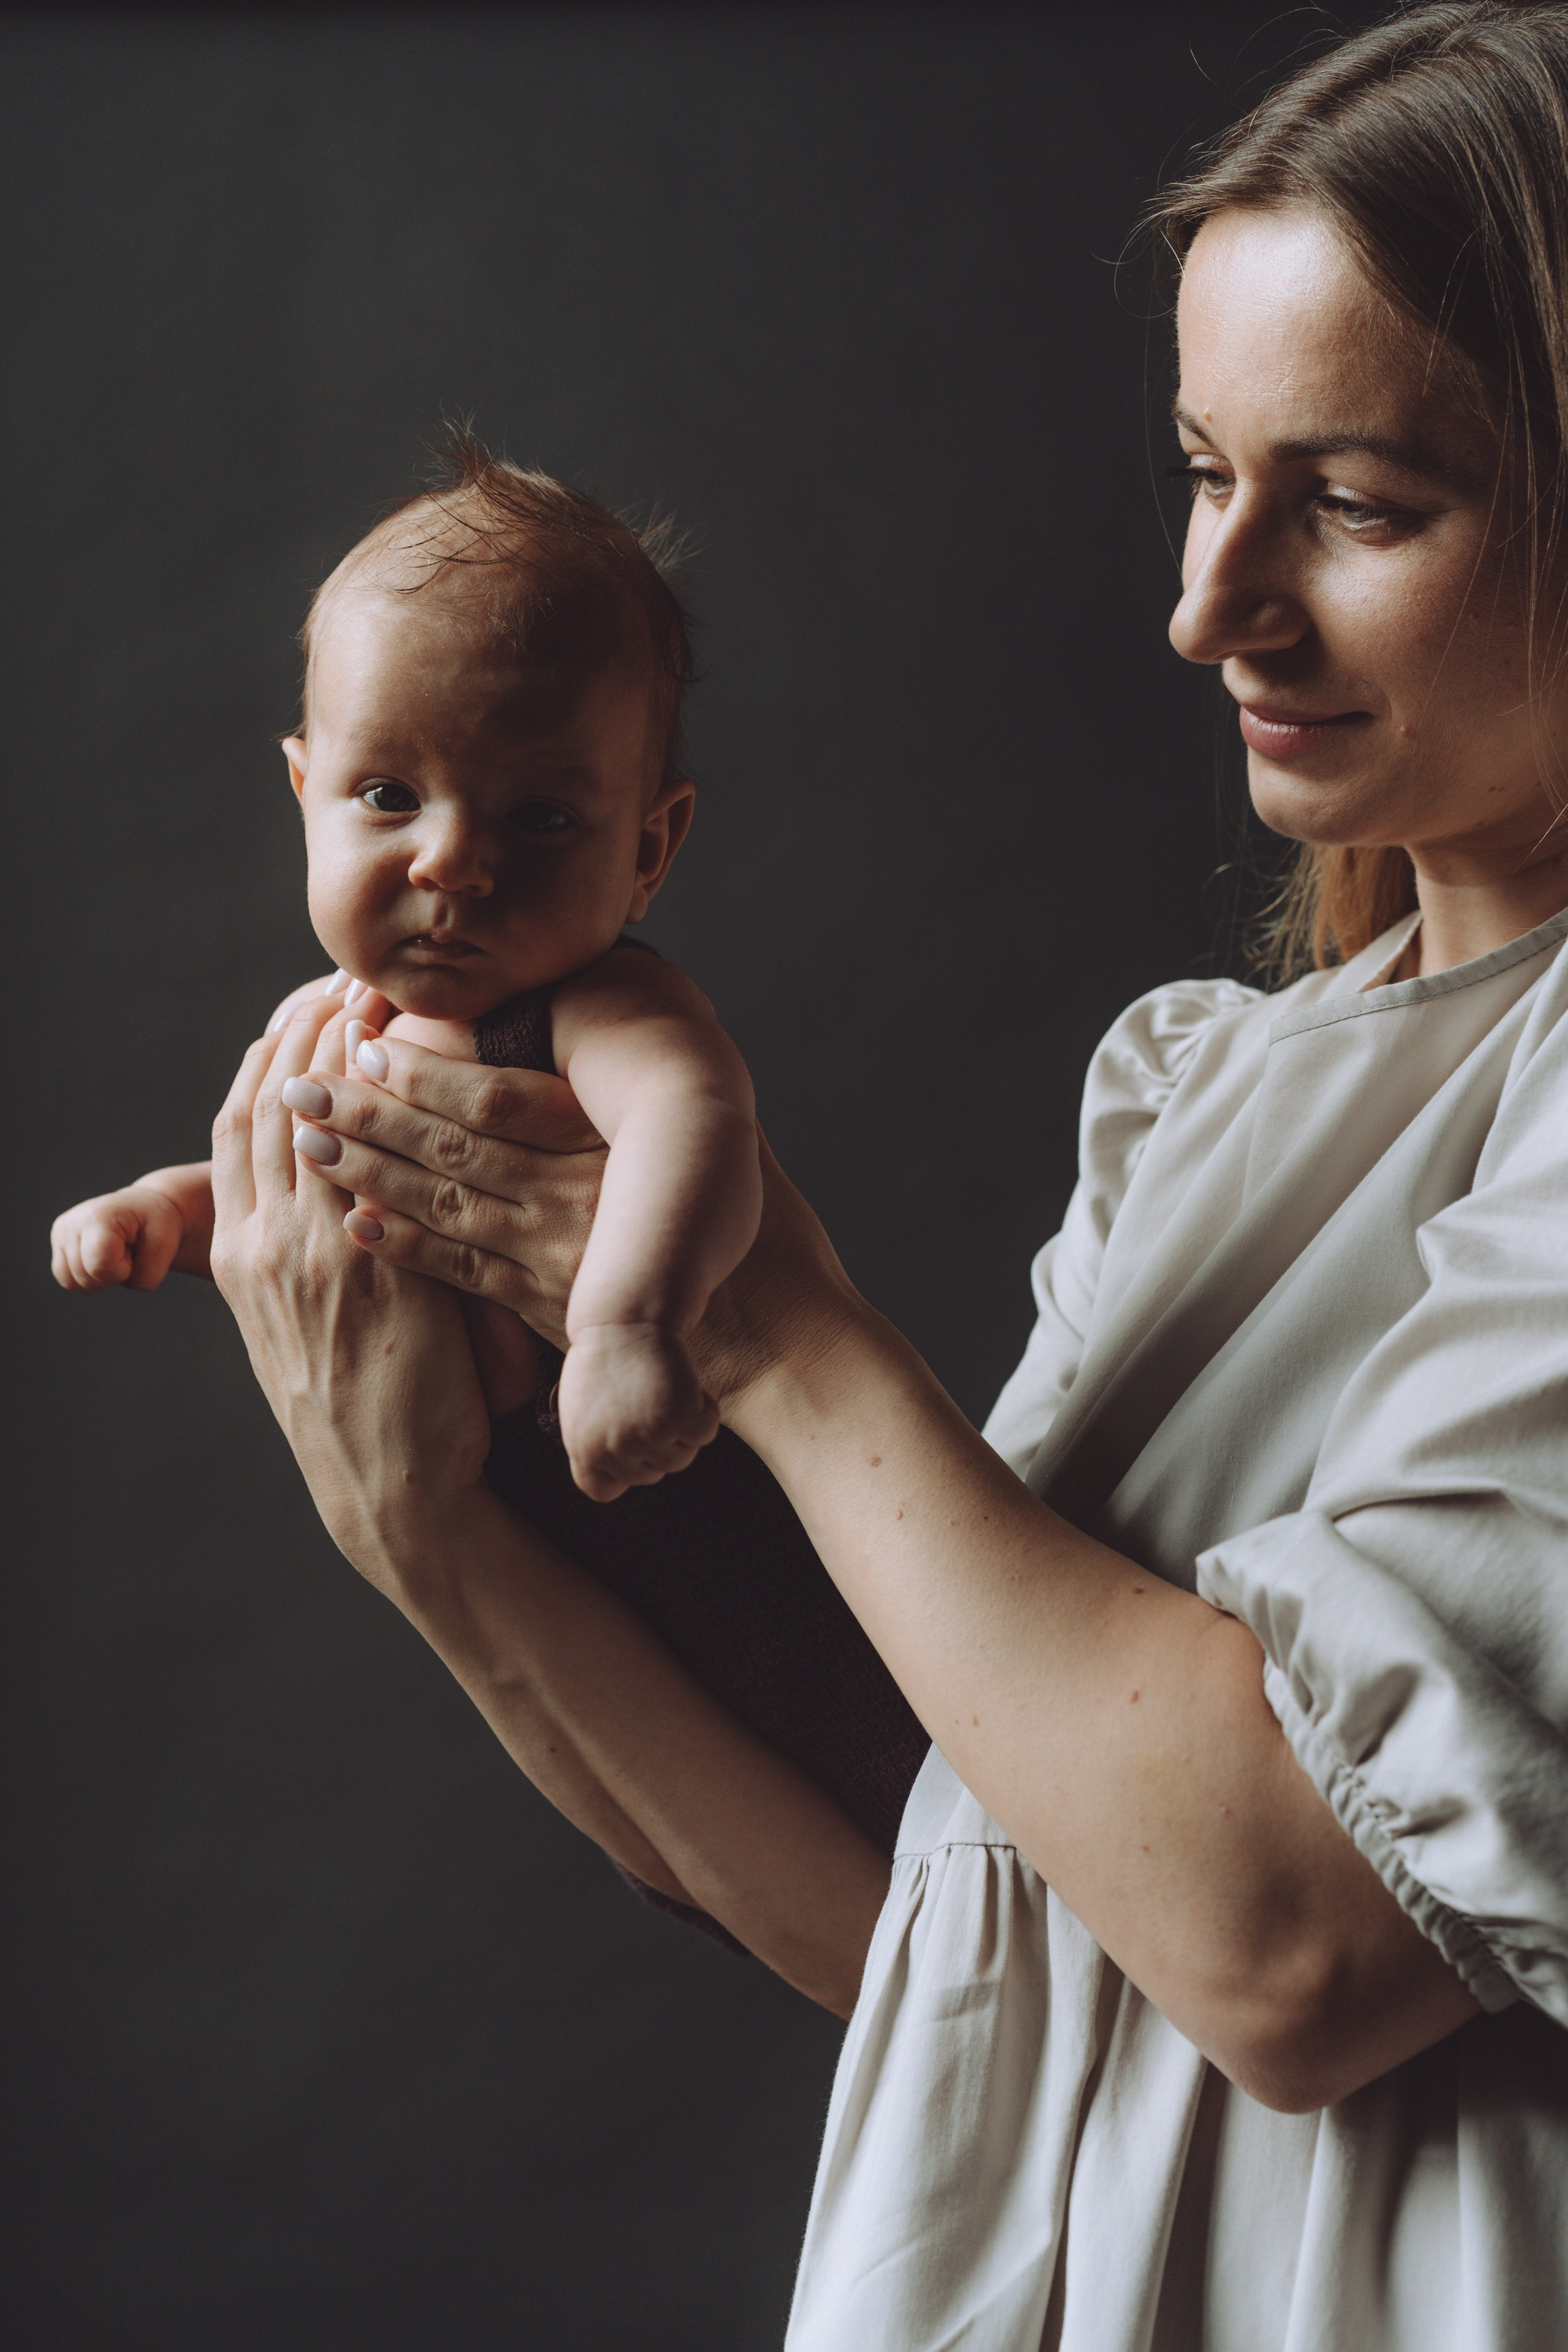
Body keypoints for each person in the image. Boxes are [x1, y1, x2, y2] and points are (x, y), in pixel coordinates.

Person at [167, 2, 1568, 2343]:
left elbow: (1291, 1950)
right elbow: (957, 1941)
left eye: (1353, 503)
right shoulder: (1215, 1101)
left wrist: (768, 1327)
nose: (1209, 607)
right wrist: (419, 1524)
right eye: (1207, 476)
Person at [50, 446, 759, 1501]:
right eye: (387, 795)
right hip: (481, 1488)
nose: (451, 861)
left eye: (541, 817)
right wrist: (172, 1213)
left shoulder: (601, 1009)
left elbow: (693, 1123)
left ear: (648, 850)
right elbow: (330, 1193)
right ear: (305, 791)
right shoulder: (332, 1016)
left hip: (648, 1451)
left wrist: (627, 1324)